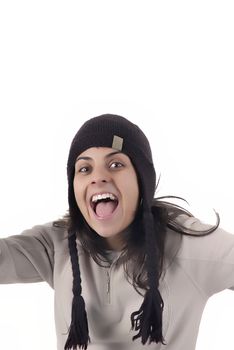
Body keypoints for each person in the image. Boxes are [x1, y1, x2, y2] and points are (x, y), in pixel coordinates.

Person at [0, 113, 233, 350]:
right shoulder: (55, 244)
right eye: (84, 168)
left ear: (142, 180)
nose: (98, 177)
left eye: (116, 164)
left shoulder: (187, 246)